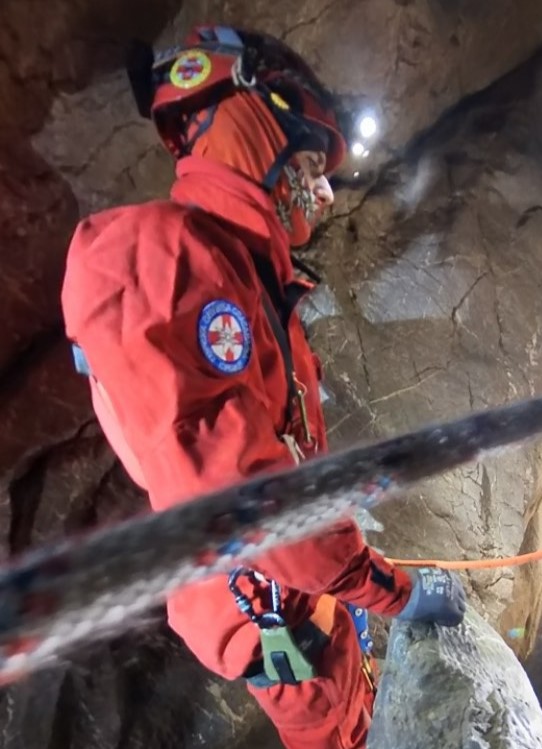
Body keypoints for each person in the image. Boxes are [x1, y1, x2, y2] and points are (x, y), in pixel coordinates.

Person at [60, 26, 466, 749]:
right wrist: (388, 590)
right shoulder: (160, 257)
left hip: (302, 605)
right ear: (254, 124)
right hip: (278, 621)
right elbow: (247, 492)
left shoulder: (235, 270)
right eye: (309, 165)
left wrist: (352, 588)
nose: (321, 194)